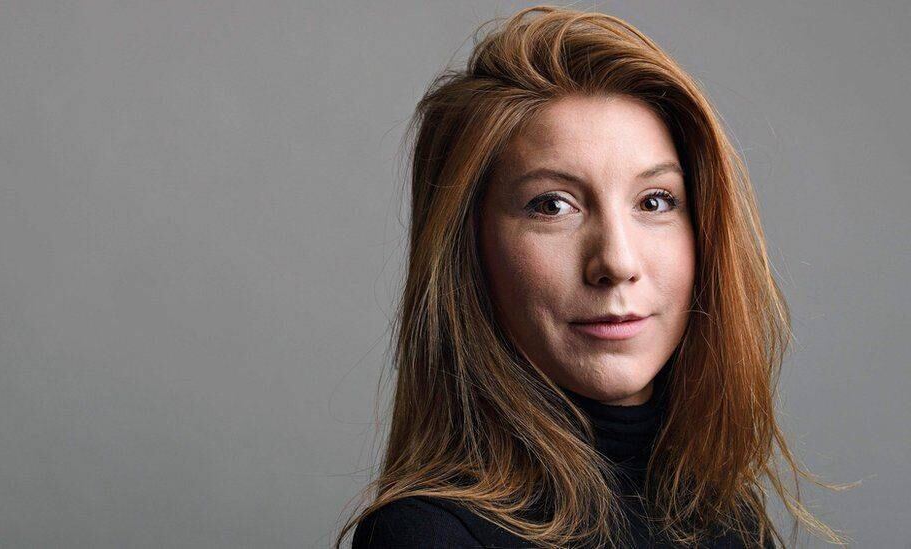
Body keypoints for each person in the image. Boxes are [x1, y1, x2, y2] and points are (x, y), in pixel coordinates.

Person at [336, 5, 851, 548]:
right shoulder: (427, 536)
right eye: (552, 205)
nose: (617, 262)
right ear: (469, 249)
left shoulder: (730, 519)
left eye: (654, 201)